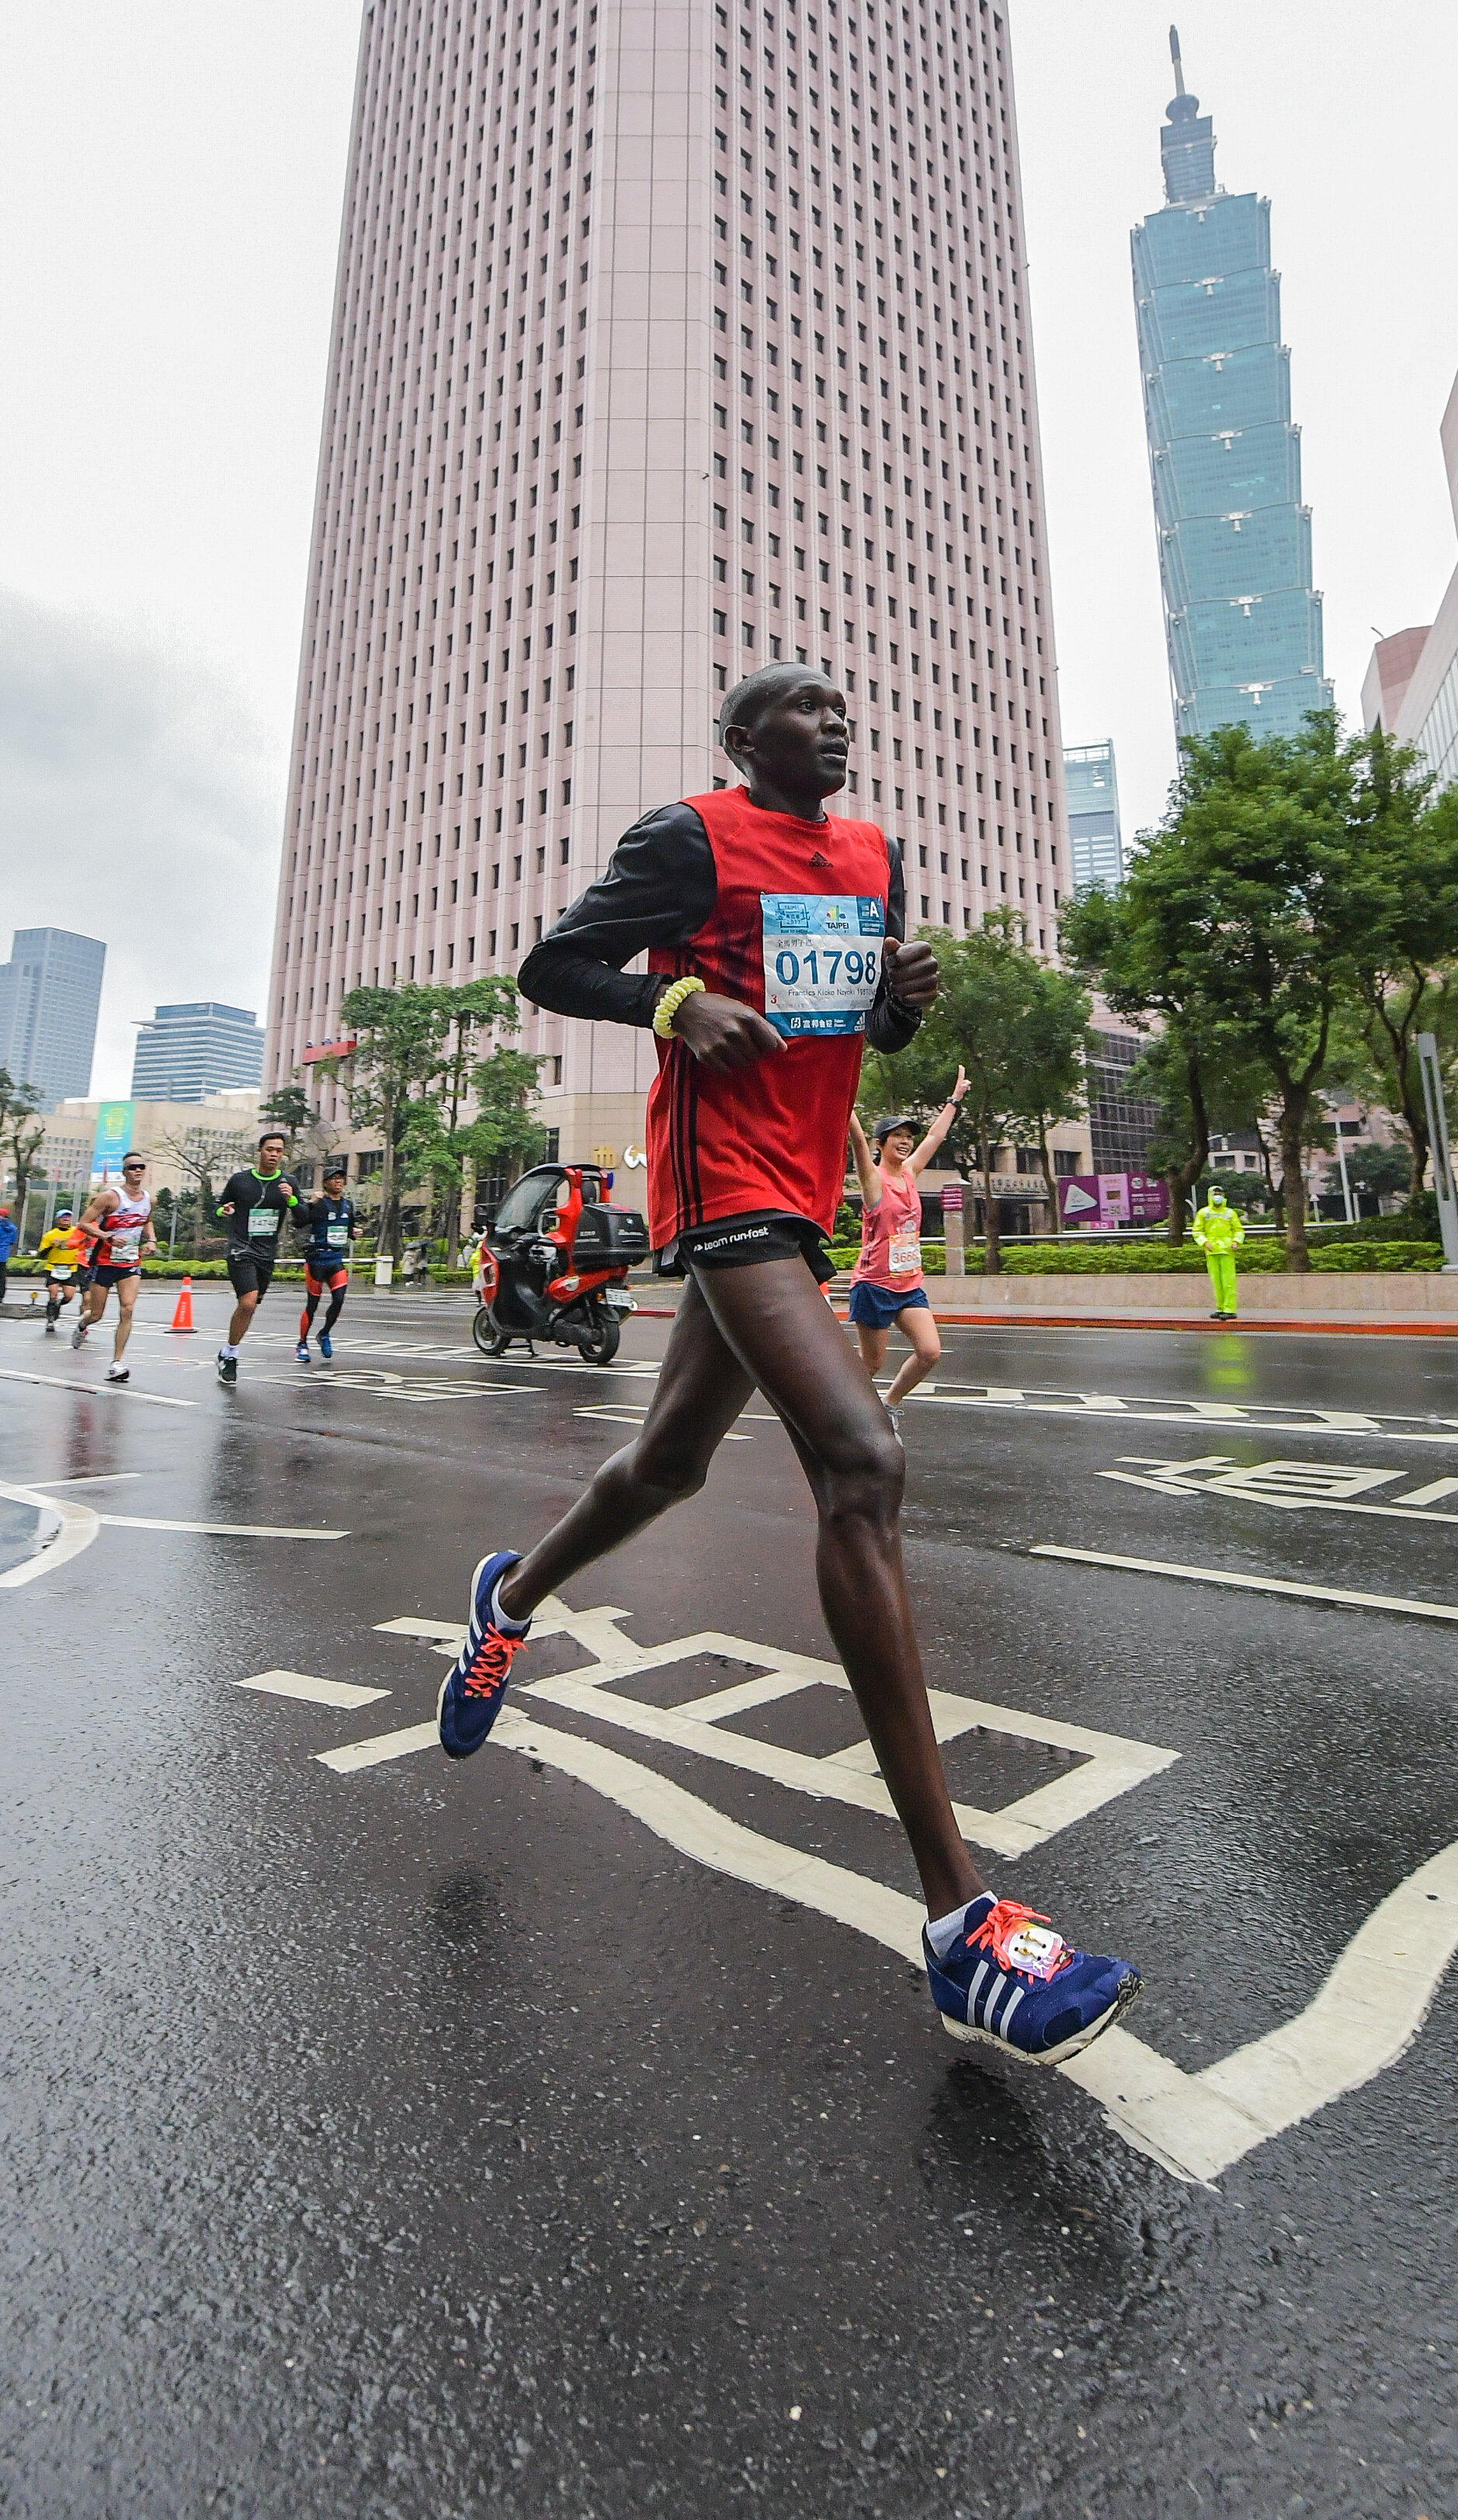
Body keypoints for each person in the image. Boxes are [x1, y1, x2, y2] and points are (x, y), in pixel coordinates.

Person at [436, 664, 1140, 2066]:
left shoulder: (876, 854)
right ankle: (961, 1926)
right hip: (719, 1181)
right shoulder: (688, 836)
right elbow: (552, 966)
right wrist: (673, 1007)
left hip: (805, 1187)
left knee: (667, 1466)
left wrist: (899, 1006)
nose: (831, 719)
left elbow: (856, 1026)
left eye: (839, 708)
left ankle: (506, 1596)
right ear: (741, 739)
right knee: (862, 1462)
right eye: (799, 706)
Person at [844, 1072, 966, 1403]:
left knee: (929, 1352)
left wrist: (955, 1099)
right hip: (874, 1286)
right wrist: (843, 1095)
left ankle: (890, 1404)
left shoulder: (910, 1173)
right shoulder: (874, 1179)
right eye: (896, 1136)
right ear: (880, 1144)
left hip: (909, 1285)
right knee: (871, 1364)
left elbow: (935, 1137)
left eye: (908, 1137)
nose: (905, 1141)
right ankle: (835, 1411)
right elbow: (857, 1140)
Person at [213, 1131, 303, 1388]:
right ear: (260, 1151)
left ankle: (226, 1351)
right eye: (269, 1149)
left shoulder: (288, 1182)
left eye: (279, 1151)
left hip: (266, 1253)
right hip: (240, 1249)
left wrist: (291, 1199)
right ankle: (232, 1355)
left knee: (251, 1306)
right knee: (248, 1302)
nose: (274, 1154)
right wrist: (223, 1210)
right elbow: (218, 1208)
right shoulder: (240, 1181)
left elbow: (303, 1218)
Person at [75, 1150, 156, 1382]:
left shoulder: (149, 1199)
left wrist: (151, 1239)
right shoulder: (109, 1197)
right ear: (124, 1172)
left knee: (127, 1309)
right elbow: (83, 1223)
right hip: (104, 1261)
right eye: (133, 1167)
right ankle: (82, 1324)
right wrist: (107, 1236)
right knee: (97, 1314)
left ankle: (116, 1363)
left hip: (130, 1261)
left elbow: (147, 1220)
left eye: (141, 1167)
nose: (138, 1170)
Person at [294, 1162, 356, 1364]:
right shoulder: (319, 1203)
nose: (338, 1181)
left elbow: (348, 1228)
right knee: (312, 1304)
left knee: (339, 1299)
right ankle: (302, 1343)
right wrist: (310, 1203)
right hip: (317, 1259)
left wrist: (354, 1233)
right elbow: (299, 1222)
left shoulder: (348, 1205)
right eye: (334, 1178)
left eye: (341, 1178)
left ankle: (324, 1333)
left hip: (336, 1259)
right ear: (326, 1183)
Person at [1191, 1186, 1246, 1321]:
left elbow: (1238, 1230)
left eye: (1220, 1194)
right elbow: (1197, 1231)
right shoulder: (1203, 1213)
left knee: (1228, 1281)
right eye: (1215, 1194)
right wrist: (1204, 1242)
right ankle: (1220, 1308)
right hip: (1212, 1250)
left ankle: (1229, 1309)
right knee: (1216, 1282)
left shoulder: (1230, 1213)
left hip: (1227, 1250)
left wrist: (1236, 1241)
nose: (1218, 1197)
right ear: (1210, 1195)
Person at [36, 1210, 90, 1333]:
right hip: (53, 1267)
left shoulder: (76, 1232)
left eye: (68, 1216)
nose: (66, 1219)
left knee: (69, 1296)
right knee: (53, 1293)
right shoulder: (50, 1235)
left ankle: (58, 1305)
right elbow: (41, 1255)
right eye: (63, 1217)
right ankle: (50, 1320)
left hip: (70, 1267)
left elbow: (85, 1244)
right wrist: (51, 1246)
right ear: (57, 1220)